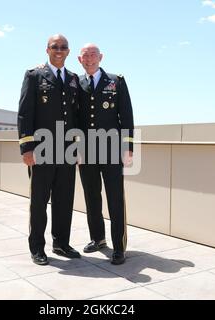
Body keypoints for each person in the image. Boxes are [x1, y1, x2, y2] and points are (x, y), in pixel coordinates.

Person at [18, 34, 81, 266]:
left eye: (63, 47)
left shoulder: (74, 79)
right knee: (39, 202)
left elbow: (77, 117)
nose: (59, 50)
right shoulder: (34, 76)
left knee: (64, 200)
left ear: (68, 51)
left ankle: (61, 243)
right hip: (41, 150)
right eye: (55, 47)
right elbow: (25, 113)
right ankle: (37, 248)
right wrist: (26, 147)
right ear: (47, 49)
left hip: (67, 151)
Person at [77, 44, 134, 265]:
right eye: (85, 56)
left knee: (115, 199)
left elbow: (126, 115)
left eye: (93, 55)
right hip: (86, 152)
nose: (90, 59)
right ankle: (98, 239)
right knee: (92, 197)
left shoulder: (116, 81)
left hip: (112, 151)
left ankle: (119, 247)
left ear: (100, 57)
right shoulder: (76, 83)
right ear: (79, 60)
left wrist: (128, 147)